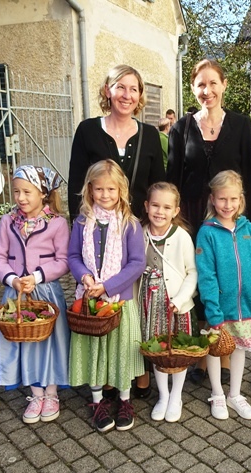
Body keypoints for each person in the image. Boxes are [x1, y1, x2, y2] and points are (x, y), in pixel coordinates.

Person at [167, 58, 251, 384]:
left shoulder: (239, 124)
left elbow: (249, 173)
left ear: (223, 85)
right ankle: (199, 351)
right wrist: (172, 223)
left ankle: (223, 353)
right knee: (195, 282)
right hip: (192, 216)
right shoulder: (181, 127)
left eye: (212, 83)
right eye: (199, 85)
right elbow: (173, 177)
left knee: (224, 281)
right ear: (192, 89)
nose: (206, 90)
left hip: (228, 218)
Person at [68, 160, 146, 432]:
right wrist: (85, 277)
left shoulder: (130, 224)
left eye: (111, 189)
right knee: (96, 352)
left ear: (121, 189)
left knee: (121, 352)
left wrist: (109, 286)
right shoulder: (81, 222)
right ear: (89, 190)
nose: (105, 195)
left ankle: (125, 400)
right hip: (89, 302)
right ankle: (97, 401)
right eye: (99, 189)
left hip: (119, 302)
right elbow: (74, 256)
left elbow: (137, 263)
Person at [0, 165, 70, 424]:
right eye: (16, 192)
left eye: (27, 192)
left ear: (43, 193)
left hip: (46, 292)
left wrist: (37, 276)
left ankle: (52, 392)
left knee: (50, 342)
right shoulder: (7, 222)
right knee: (24, 340)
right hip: (16, 295)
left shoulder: (57, 223)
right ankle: (36, 394)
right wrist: (12, 279)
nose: (21, 198)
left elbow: (64, 260)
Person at [195, 170, 251, 420]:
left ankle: (235, 394)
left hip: (246, 307)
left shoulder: (248, 228)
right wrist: (212, 312)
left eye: (233, 199)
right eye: (222, 199)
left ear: (241, 200)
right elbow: (206, 275)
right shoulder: (207, 232)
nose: (228, 205)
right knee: (216, 350)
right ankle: (217, 393)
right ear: (213, 199)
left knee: (239, 349)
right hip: (220, 309)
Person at [68, 64, 165, 221]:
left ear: (139, 94)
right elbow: (76, 185)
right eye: (120, 87)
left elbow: (158, 186)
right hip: (97, 230)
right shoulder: (87, 130)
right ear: (107, 90)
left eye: (133, 89)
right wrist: (78, 226)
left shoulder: (150, 135)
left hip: (138, 230)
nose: (127, 95)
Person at [140, 182, 198, 423]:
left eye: (166, 207)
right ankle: (163, 395)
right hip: (149, 302)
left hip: (176, 304)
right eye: (155, 205)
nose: (159, 212)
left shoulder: (182, 236)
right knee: (158, 349)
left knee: (178, 351)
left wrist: (181, 298)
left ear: (175, 210)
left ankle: (176, 396)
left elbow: (192, 272)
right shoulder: (140, 232)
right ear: (146, 206)